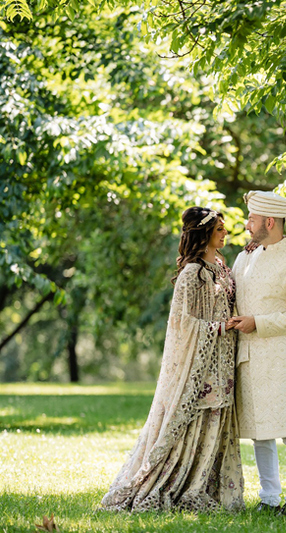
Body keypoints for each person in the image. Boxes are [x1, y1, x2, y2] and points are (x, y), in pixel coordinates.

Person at [101, 206, 244, 512]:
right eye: (220, 229)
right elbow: (182, 324)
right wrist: (219, 327)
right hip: (199, 365)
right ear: (204, 233)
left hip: (224, 362)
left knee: (216, 420)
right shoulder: (192, 274)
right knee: (194, 421)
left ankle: (209, 487)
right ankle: (180, 484)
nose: (226, 234)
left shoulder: (222, 267)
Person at [228, 190, 286, 518]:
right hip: (248, 356)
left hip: (281, 356)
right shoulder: (243, 259)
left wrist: (258, 323)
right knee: (259, 432)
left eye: (252, 219)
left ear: (269, 221)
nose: (247, 225)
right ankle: (269, 497)